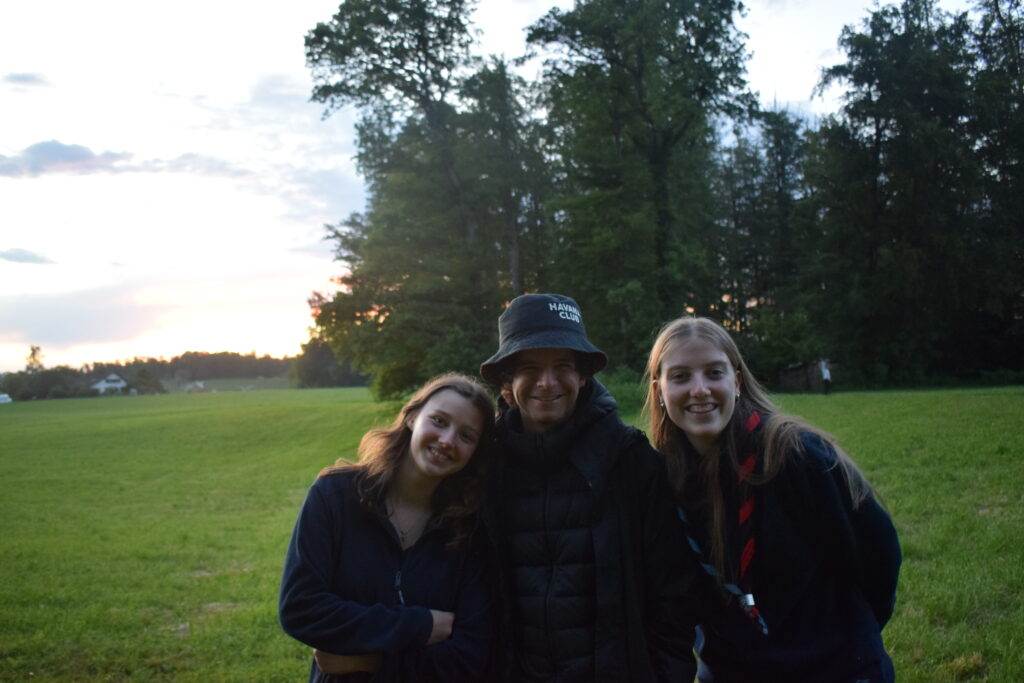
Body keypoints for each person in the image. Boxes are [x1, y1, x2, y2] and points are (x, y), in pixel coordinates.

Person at [644, 317, 901, 682]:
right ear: (659, 390)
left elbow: (879, 554)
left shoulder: (797, 456)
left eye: (714, 373)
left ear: (736, 381)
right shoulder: (663, 480)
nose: (699, 390)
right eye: (681, 376)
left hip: (835, 669)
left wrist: (850, 639)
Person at [479, 293, 698, 682]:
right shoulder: (484, 467)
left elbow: (673, 594)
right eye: (530, 368)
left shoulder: (630, 461)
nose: (547, 383)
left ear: (582, 375)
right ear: (507, 383)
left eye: (562, 366)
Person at [279, 373, 496, 682]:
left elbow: (469, 656)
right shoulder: (335, 496)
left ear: (475, 452)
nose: (448, 440)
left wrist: (370, 661)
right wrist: (422, 625)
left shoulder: (468, 529)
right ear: (411, 417)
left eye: (466, 436)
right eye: (439, 421)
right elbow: (300, 608)